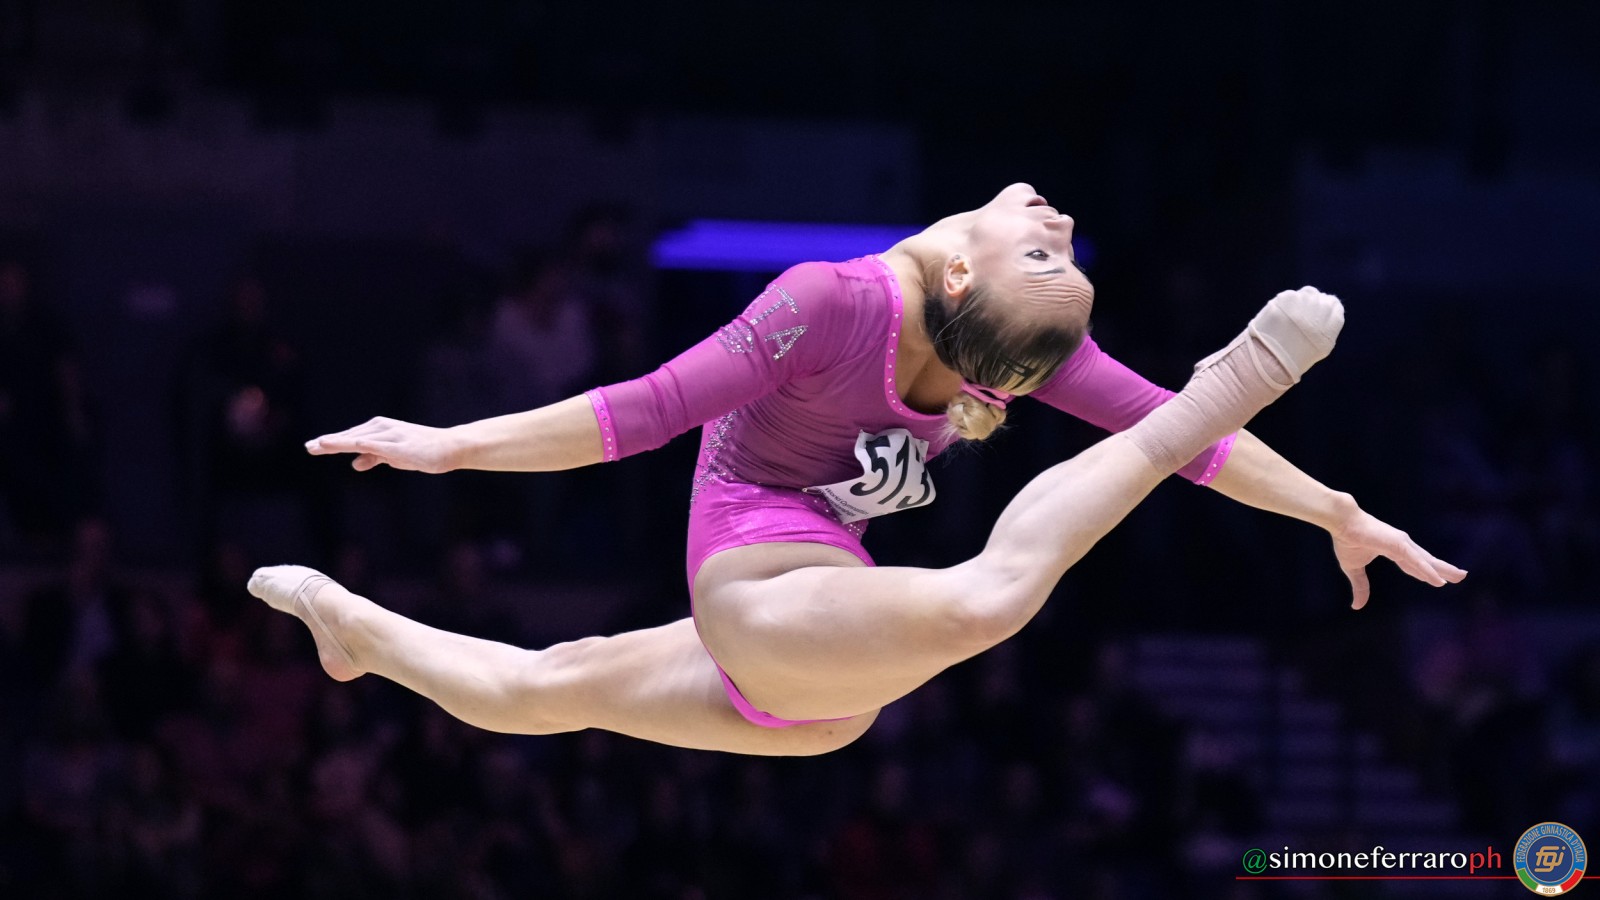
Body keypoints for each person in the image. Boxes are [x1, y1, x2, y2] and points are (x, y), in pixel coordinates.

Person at [249, 183, 1465, 756]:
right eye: (1055, 252)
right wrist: (449, 446)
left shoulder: (994, 338)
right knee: (986, 602)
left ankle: (354, 634)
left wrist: (1334, 511)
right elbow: (647, 410)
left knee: (535, 690)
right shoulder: (827, 304)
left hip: (815, 684)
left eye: (1053, 257)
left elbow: (1207, 455)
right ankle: (1236, 369)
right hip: (762, 609)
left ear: (967, 282)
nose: (1058, 226)